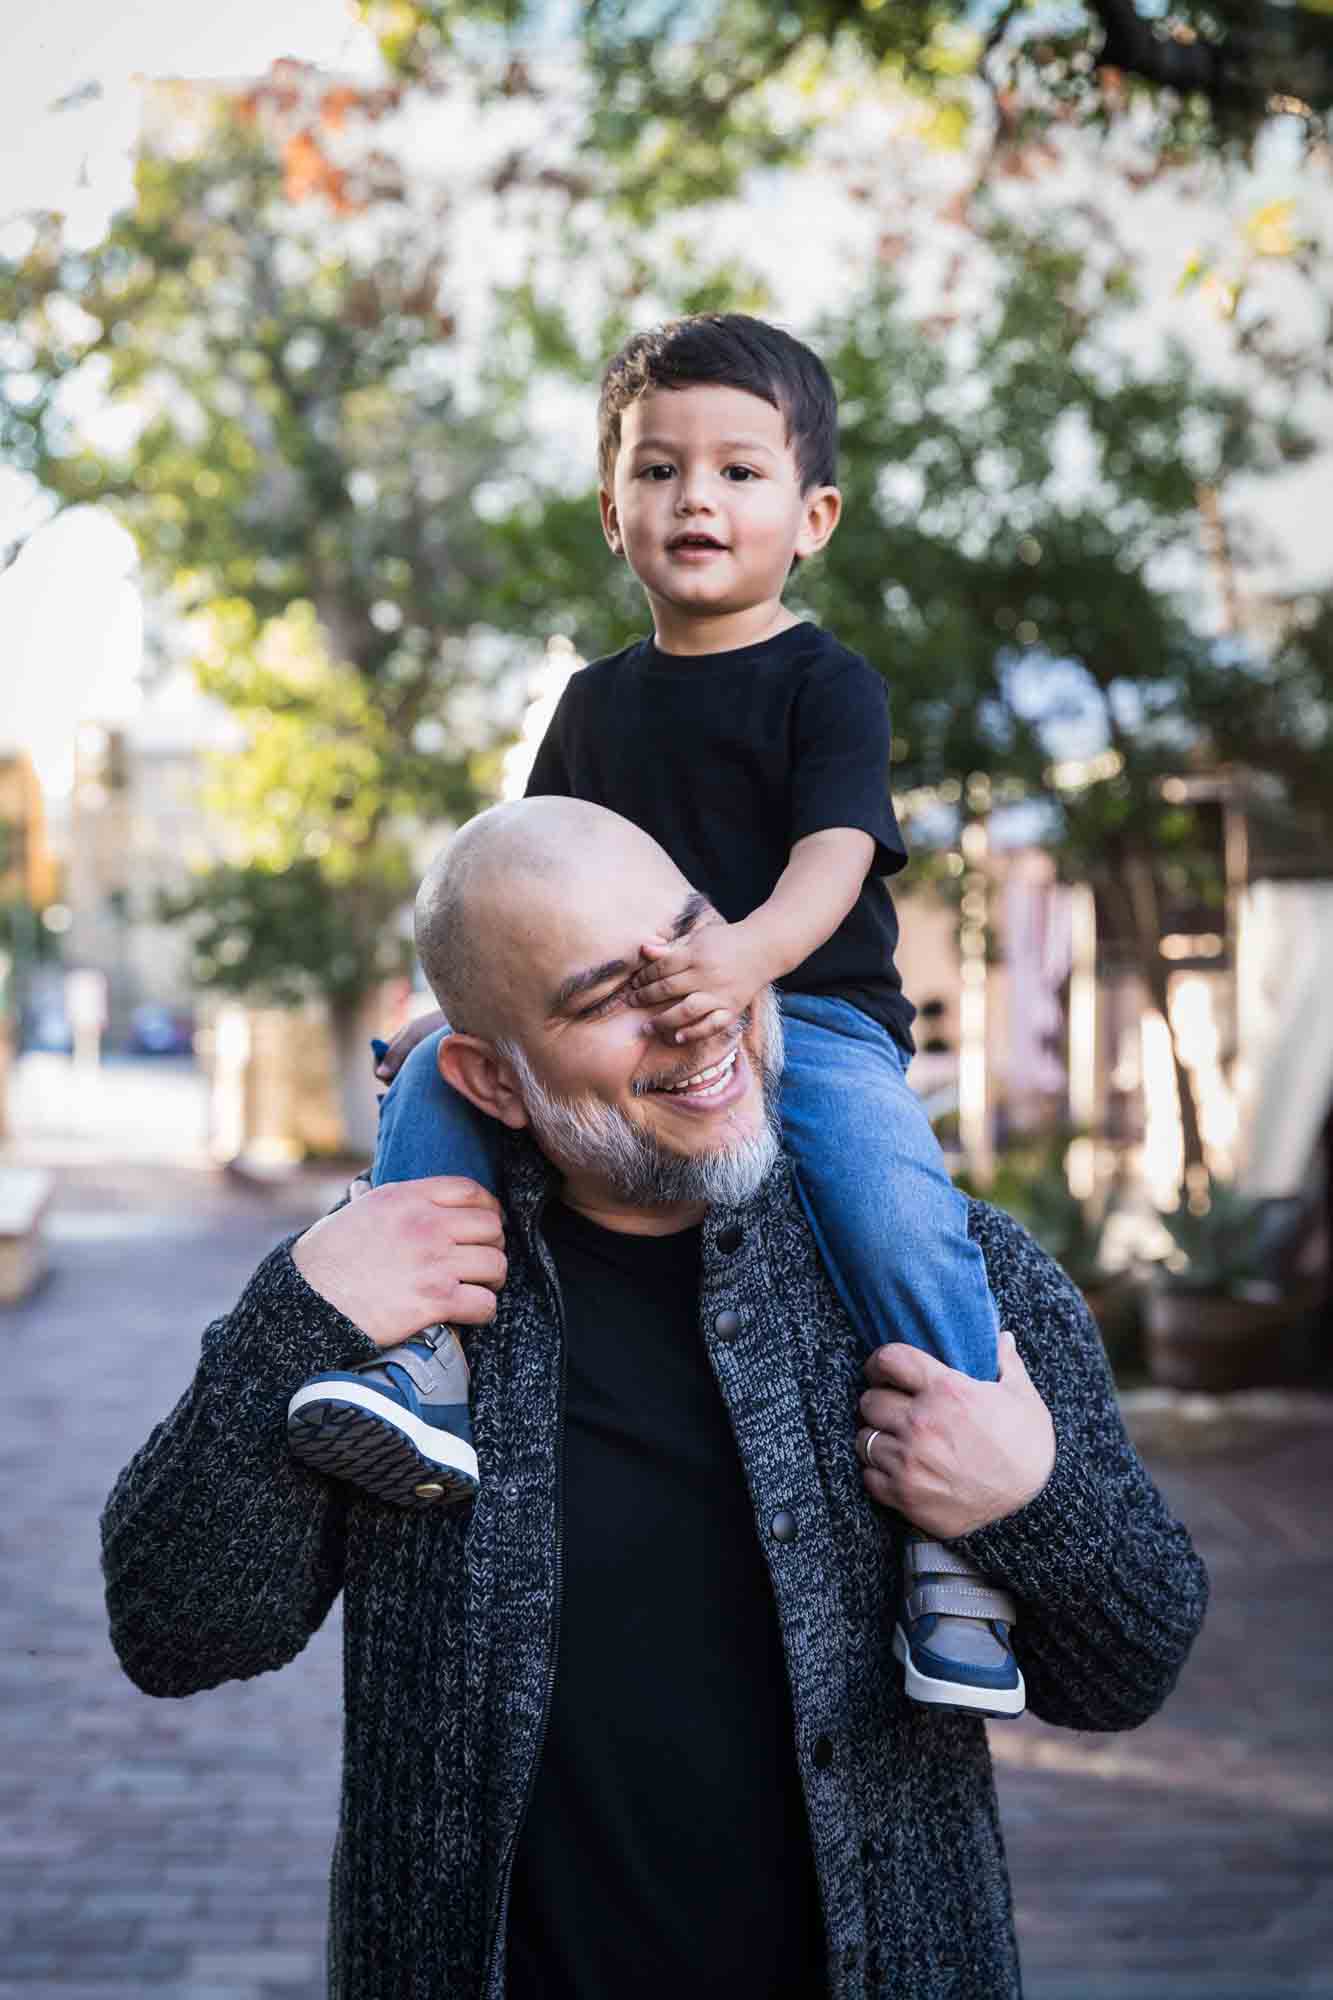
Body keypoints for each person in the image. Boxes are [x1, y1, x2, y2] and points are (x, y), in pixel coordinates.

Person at [103, 798, 1209, 2000]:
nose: (690, 1008)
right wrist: (293, 1323)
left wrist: (1021, 1499)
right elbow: (177, 1627)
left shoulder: (945, 1272)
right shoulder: (396, 1307)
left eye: (690, 935)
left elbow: (1127, 1667)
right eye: (605, 997)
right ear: (490, 1076)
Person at [287, 312, 1020, 1715]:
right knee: (442, 1068)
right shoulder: (592, 703)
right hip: (636, 1029)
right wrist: (430, 1004)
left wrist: (744, 962)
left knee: (896, 1205)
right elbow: (515, 879)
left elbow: (835, 861)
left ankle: (958, 1532)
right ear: (613, 509)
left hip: (811, 1014)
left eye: (740, 473)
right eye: (659, 469)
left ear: (811, 515)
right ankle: (422, 1358)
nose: (697, 498)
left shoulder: (827, 685)